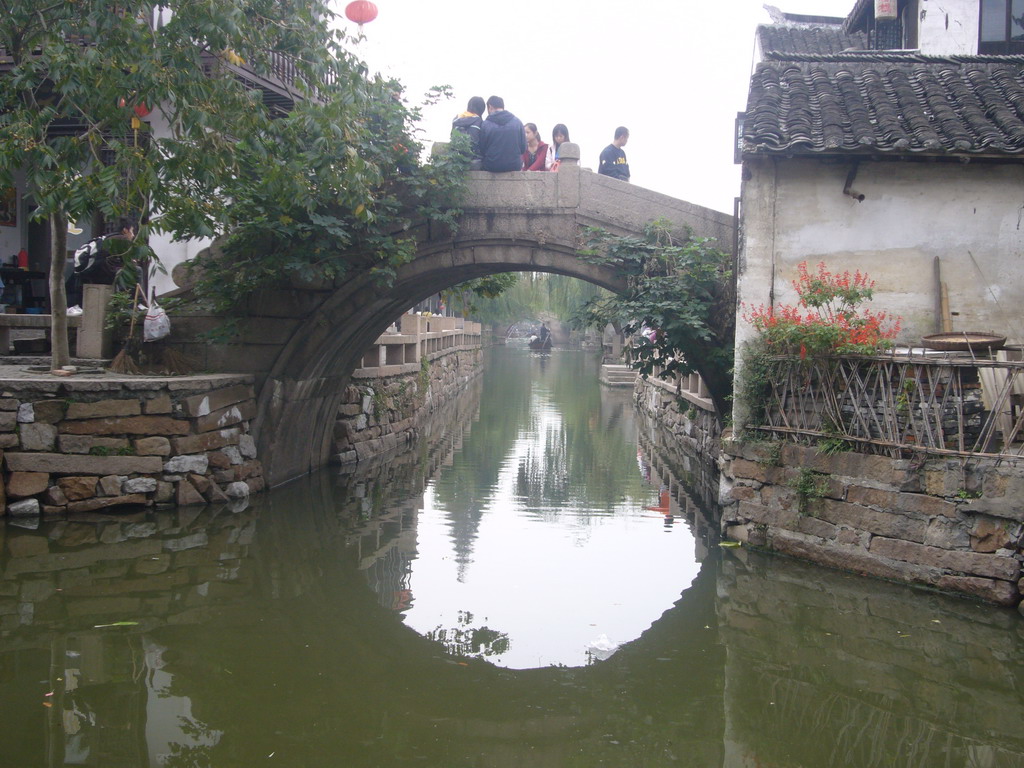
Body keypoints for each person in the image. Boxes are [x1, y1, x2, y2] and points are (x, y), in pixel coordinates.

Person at [478, 96, 526, 172]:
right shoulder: (517, 122)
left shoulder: (485, 124)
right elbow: (523, 148)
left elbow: (482, 149)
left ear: (490, 107)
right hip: (514, 165)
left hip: (492, 166)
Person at [451, 96, 485, 169]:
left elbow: (452, 137)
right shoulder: (479, 122)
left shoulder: (456, 119)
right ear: (482, 109)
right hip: (473, 162)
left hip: (456, 160)